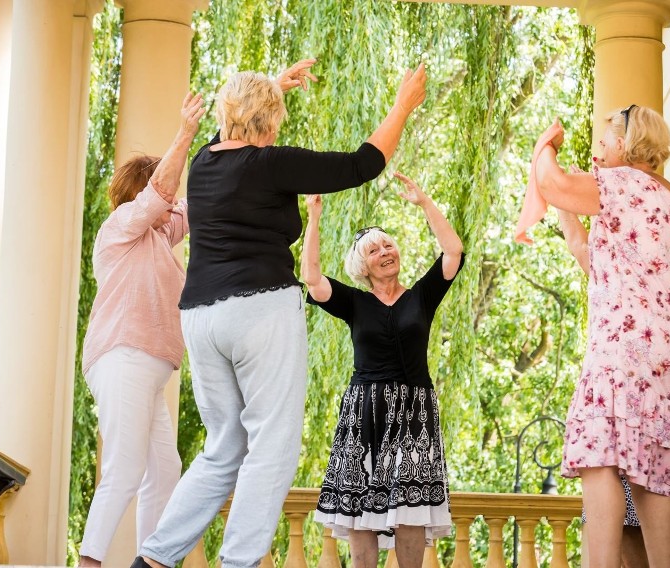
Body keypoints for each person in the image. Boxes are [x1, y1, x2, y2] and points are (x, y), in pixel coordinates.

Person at [133, 59, 427, 568]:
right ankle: (240, 563)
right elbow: (364, 163)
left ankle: (153, 560)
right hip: (259, 311)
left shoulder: (203, 162)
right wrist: (403, 104)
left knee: (223, 448)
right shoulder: (272, 163)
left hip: (200, 317)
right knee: (272, 446)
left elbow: (241, 113)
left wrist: (269, 86)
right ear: (267, 123)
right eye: (276, 119)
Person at [534, 104, 670, 568]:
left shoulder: (623, 184)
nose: (598, 153)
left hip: (624, 347)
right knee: (655, 467)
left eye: (604, 143)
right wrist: (567, 207)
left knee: (600, 458)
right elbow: (589, 253)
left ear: (626, 144)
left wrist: (544, 148)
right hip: (666, 347)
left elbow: (553, 183)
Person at [301, 171, 464, 568]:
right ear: (363, 265)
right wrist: (315, 217)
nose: (385, 252)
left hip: (414, 411)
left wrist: (425, 203)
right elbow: (312, 279)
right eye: (375, 251)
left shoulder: (422, 296)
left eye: (388, 245)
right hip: (365, 411)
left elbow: (454, 251)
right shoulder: (354, 302)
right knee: (360, 510)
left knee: (410, 508)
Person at [78, 93, 206, 567]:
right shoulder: (120, 227)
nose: (170, 200)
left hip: (149, 368)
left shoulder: (157, 235)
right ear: (142, 190)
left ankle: (150, 561)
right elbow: (163, 195)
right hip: (123, 355)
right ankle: (90, 562)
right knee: (126, 468)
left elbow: (204, 194)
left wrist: (252, 109)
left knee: (164, 470)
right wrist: (184, 133)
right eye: (160, 191)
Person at [556, 206, 670, 568]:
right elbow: (579, 245)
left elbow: (578, 241)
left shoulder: (630, 252)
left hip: (628, 422)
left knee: (630, 547)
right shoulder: (611, 272)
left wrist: (547, 173)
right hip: (627, 420)